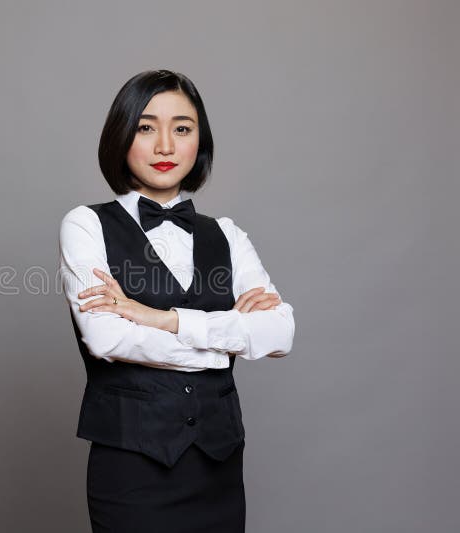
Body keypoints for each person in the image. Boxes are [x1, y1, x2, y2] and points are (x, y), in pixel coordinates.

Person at [58, 69, 295, 533]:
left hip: (219, 468)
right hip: (132, 471)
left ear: (199, 141)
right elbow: (107, 338)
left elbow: (281, 331)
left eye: (182, 129)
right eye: (146, 128)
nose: (165, 146)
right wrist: (228, 339)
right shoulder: (85, 224)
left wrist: (163, 320)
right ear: (122, 135)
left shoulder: (226, 233)